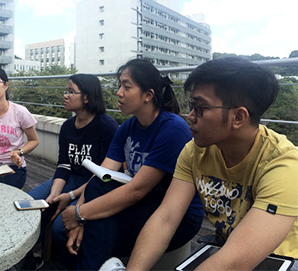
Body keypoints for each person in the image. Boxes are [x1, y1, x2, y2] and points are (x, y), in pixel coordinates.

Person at [127, 57, 298, 270]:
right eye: (191, 105)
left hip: (281, 260)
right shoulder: (195, 151)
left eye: (200, 107)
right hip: (225, 246)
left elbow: (235, 260)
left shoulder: (282, 164)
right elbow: (166, 218)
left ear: (238, 117)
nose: (190, 116)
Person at [55, 59, 204, 270]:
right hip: (143, 203)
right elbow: (101, 175)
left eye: (126, 86)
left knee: (92, 231)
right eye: (119, 86)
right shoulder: (127, 128)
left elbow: (137, 190)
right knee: (96, 192)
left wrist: (80, 214)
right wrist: (79, 212)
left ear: (148, 95)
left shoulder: (172, 129)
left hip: (178, 215)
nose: (118, 92)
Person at [26, 74, 118, 258]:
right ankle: (36, 250)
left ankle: (58, 257)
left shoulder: (107, 127)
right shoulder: (68, 126)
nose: (65, 96)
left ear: (87, 97)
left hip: (95, 185)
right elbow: (64, 165)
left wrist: (70, 196)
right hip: (71, 178)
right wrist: (54, 193)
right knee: (29, 203)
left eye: (71, 91)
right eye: (65, 91)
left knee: (62, 226)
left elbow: (104, 174)